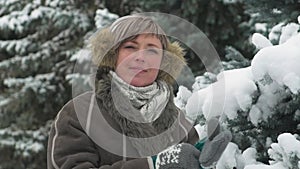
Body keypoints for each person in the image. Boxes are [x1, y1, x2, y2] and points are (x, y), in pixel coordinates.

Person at [47, 14, 232, 169]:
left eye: (152, 51)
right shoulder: (80, 114)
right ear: (112, 55)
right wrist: (153, 165)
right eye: (130, 47)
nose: (141, 57)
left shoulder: (180, 124)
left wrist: (201, 159)